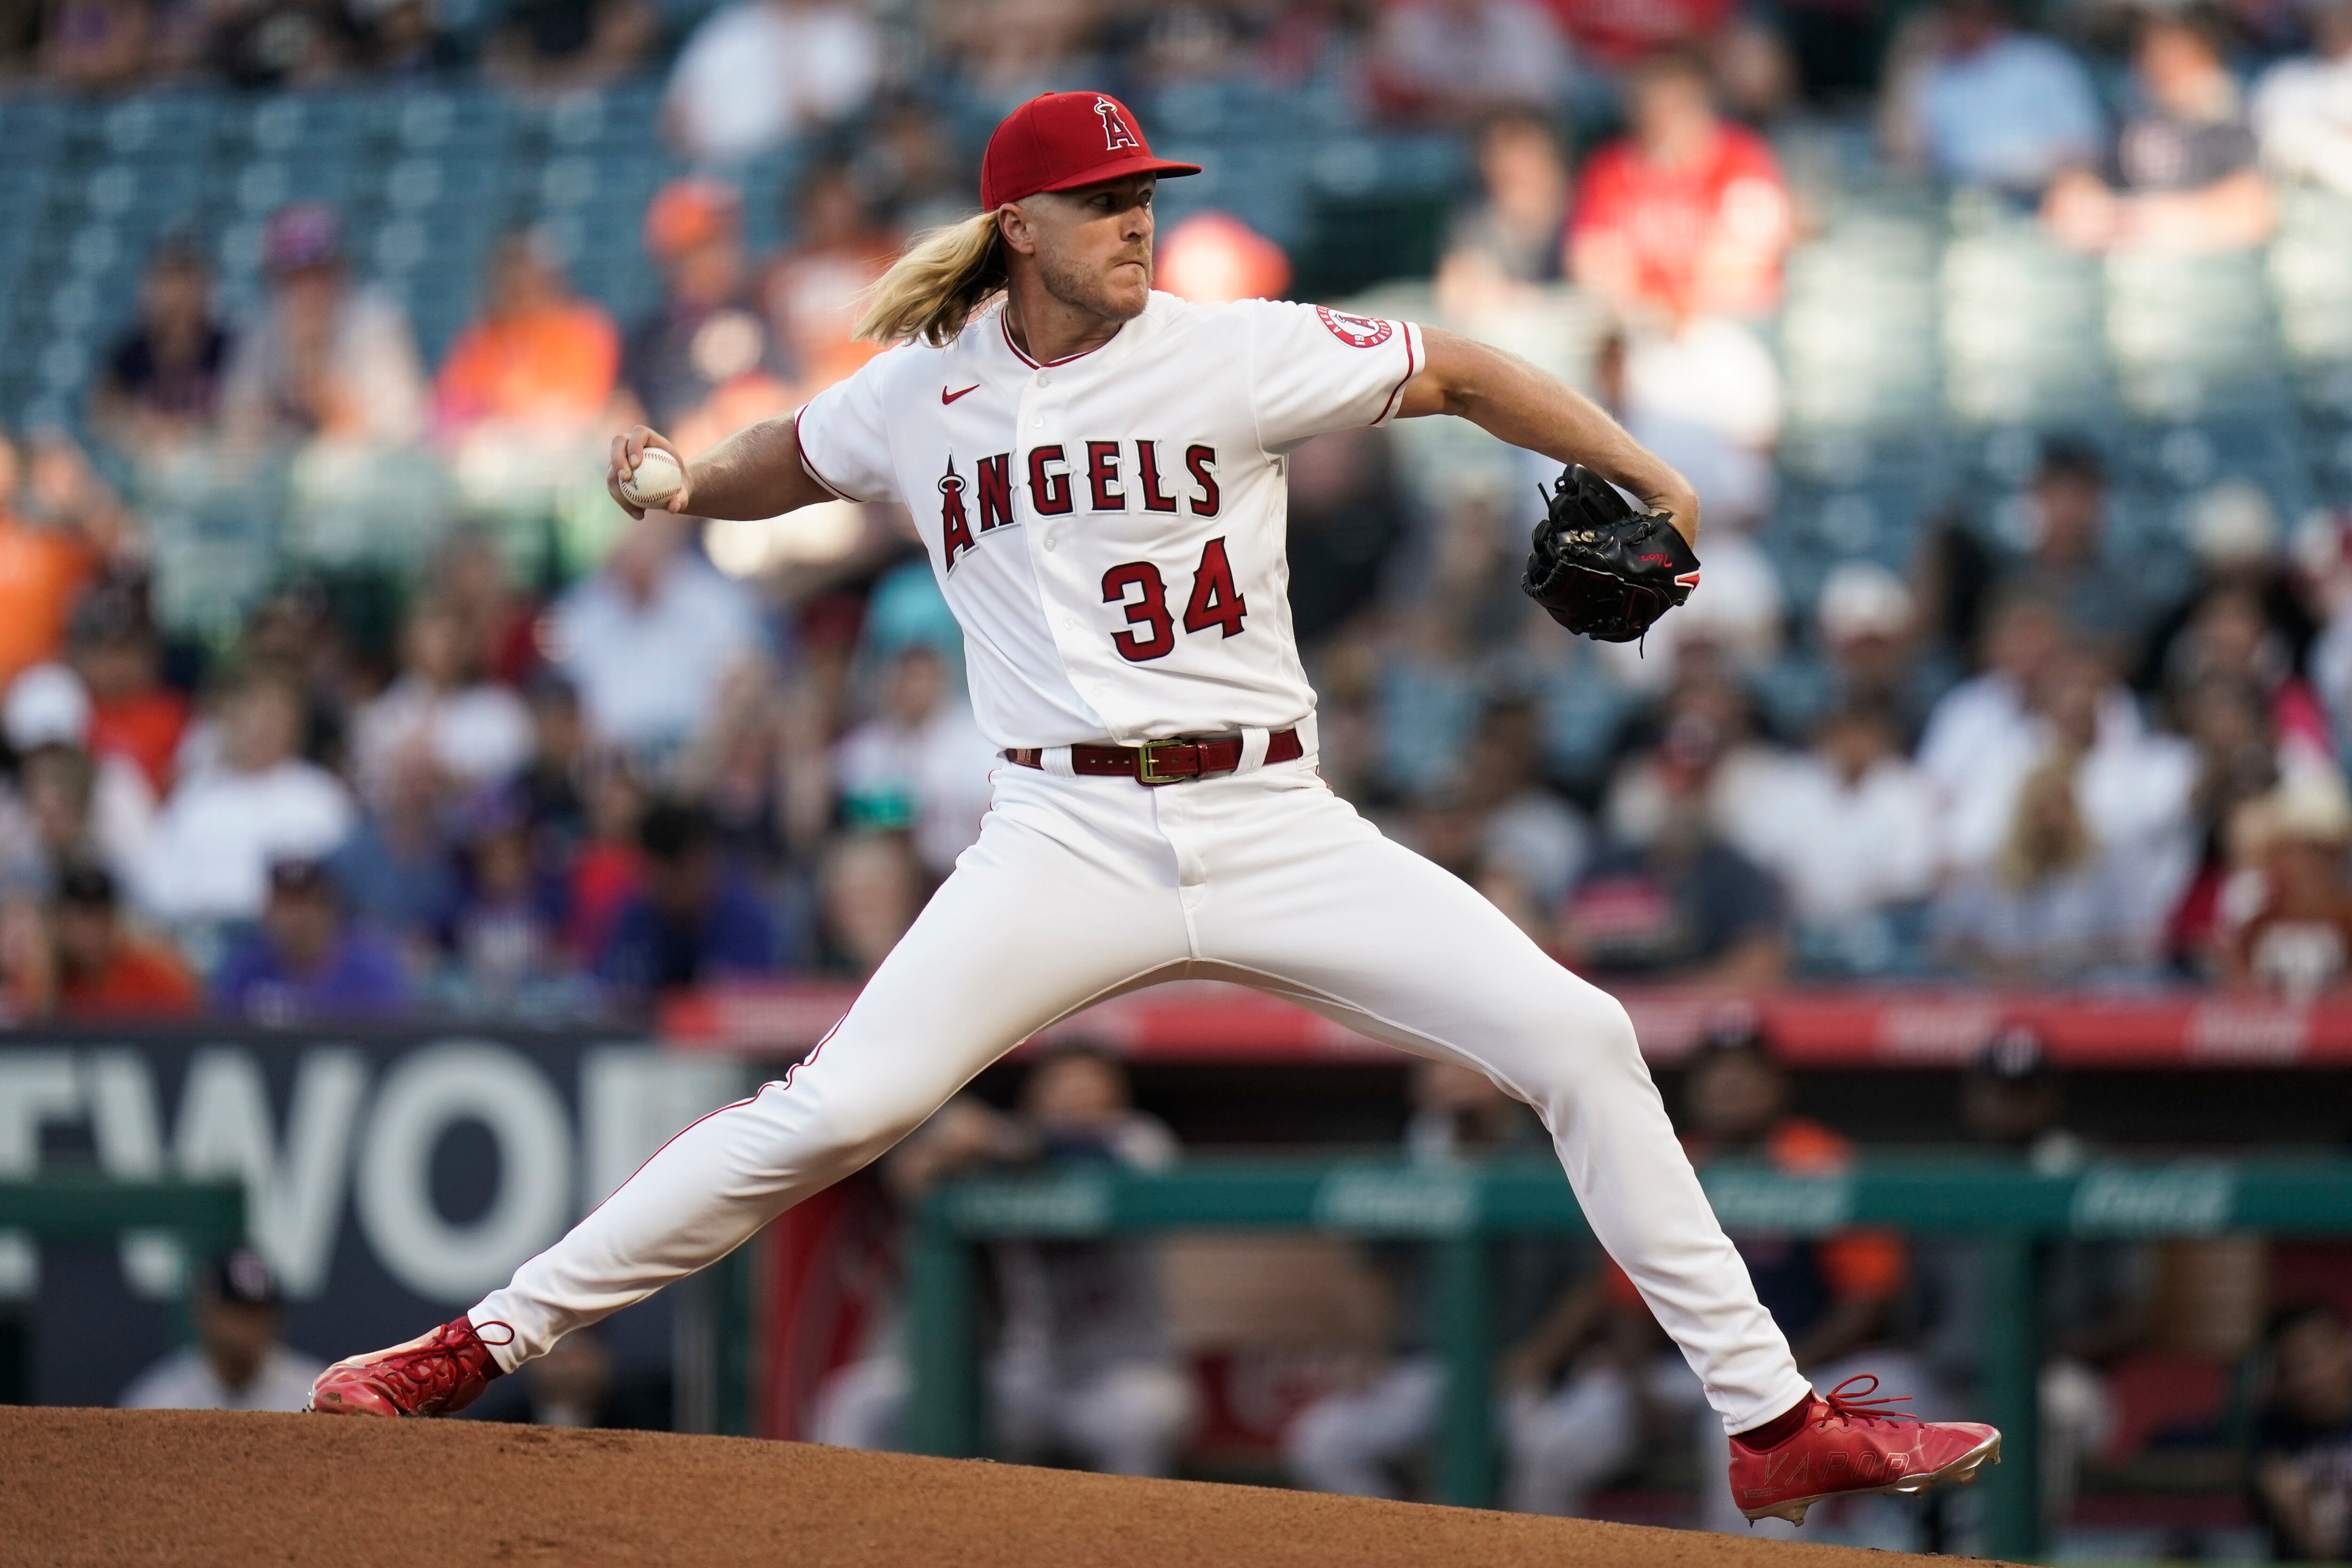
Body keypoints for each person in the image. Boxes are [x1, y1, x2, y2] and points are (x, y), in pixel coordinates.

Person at [310, 89, 1998, 1530]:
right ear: (1018, 229)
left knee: (1580, 1036)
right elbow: (793, 455)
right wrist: (687, 481)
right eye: (1104, 201)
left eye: (1143, 196)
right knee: (832, 1112)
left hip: (1270, 816)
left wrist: (1655, 473)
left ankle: (1773, 1425)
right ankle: (470, 1346)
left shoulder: (1231, 349)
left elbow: (1463, 370)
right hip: (1057, 840)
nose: (1136, 221)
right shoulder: (920, 387)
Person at [823, 1048, 1197, 1474]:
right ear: (1034, 1099)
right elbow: (910, 1174)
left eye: (1090, 1088)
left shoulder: (1140, 1141)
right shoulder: (1003, 1155)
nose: (1077, 1099)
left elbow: (1075, 1149)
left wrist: (995, 1135)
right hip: (1030, 1377)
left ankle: (1140, 1520)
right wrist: (940, 1151)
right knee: (860, 1401)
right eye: (1063, 1089)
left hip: (1123, 1373)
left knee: (1144, 1417)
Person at [1284, 1059, 1583, 1498]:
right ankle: (1399, 1537)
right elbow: (1369, 1270)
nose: (1458, 1084)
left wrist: (1539, 1356)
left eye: (1471, 1071)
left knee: (1547, 1451)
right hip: (1421, 1364)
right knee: (1323, 1443)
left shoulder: (1545, 1159)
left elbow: (1586, 1283)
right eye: (1443, 1071)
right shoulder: (1407, 1160)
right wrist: (1371, 1350)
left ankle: (1527, 1544)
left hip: (1511, 1368)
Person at [1566, 48, 1793, 325]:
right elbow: (1591, 260)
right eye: (1652, 103)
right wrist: (1651, 306)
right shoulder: (1607, 168)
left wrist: (1680, 301)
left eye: (1676, 103)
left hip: (1729, 322)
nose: (1664, 117)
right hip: (1639, 323)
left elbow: (1750, 262)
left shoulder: (1744, 157)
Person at [2044, 7, 2276, 254]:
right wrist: (2088, 203)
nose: (2161, 58)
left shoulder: (2230, 123)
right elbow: (2073, 190)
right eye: (2150, 45)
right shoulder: (2126, 118)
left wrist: (2150, 217)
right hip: (2129, 266)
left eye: (2175, 45)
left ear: (2205, 50)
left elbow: (2252, 213)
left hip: (2200, 264)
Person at [132, 669, 354, 926]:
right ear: (228, 721)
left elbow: (343, 883)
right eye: (251, 717)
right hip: (205, 929)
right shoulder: (195, 799)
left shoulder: (321, 796)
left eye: (275, 720)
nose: (261, 730)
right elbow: (161, 886)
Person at [220, 203, 426, 452]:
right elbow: (237, 421)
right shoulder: (262, 326)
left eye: (318, 272)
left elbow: (401, 432)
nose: (308, 289)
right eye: (294, 277)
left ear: (340, 271)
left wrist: (312, 367)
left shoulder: (376, 321)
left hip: (365, 464)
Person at [1888, 0, 2103, 195]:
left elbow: (2085, 150)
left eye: (1973, 11)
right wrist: (1909, 59)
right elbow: (1903, 157)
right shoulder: (1934, 75)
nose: (1965, 21)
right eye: (1955, 12)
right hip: (1956, 201)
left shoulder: (2042, 62)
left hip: (2039, 198)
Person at [592, 798, 774, 999]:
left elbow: (757, 999)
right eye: (653, 877)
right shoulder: (638, 916)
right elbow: (609, 992)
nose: (658, 887)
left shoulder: (743, 920)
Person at [661, 0, 880, 164]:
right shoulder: (736, 22)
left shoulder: (846, 35)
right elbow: (677, 109)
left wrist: (791, 46)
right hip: (711, 161)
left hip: (787, 161)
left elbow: (822, 121)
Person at [119, 1249, 325, 1412]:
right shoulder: (159, 1399)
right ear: (205, 1314)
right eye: (235, 1311)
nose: (246, 1326)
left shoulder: (315, 1396)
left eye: (256, 1313)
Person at [214, 856, 410, 1022]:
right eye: (283, 904)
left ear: (329, 910)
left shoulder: (370, 978)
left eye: (303, 904)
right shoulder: (245, 973)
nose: (291, 917)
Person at [91, 237, 234, 456]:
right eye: (169, 283)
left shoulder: (227, 348)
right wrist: (140, 429)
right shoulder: (132, 352)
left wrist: (188, 431)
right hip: (149, 458)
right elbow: (104, 413)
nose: (179, 298)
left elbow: (247, 413)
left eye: (187, 284)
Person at [2253, 1301, 2352, 1561]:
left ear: (2345, 1351)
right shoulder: (2268, 1433)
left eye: (2312, 1362)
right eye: (2289, 1368)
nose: (2306, 1381)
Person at [52, 863, 199, 1018]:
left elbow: (189, 1021)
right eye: (81, 919)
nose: (90, 931)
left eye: (101, 918)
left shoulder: (153, 976)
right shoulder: (53, 980)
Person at [2252, 0, 2352, 196]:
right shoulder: (2282, 80)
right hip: (2302, 200)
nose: (2332, 24)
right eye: (2324, 16)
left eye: (2342, 14)